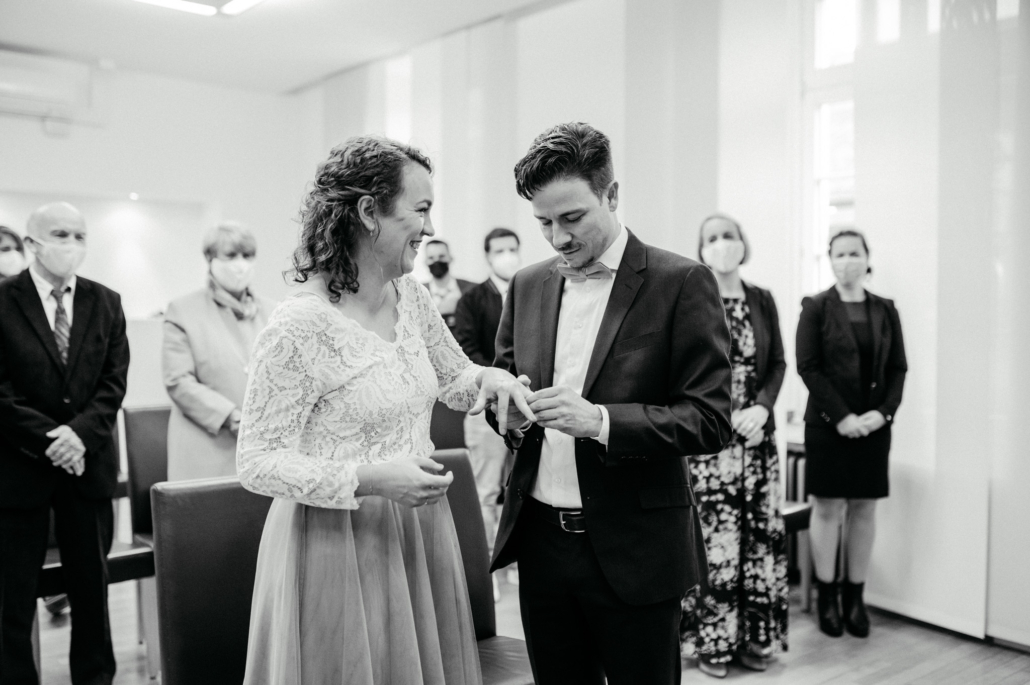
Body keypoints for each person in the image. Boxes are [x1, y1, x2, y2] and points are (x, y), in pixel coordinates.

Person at [237, 136, 535, 685]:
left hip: (420, 530)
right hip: (335, 544)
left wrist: (491, 378)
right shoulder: (298, 326)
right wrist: (372, 479)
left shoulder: (413, 297)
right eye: (419, 210)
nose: (428, 228)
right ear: (369, 212)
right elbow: (257, 461)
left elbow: (455, 379)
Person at [488, 122, 733, 685]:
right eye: (544, 222)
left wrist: (598, 421)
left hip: (636, 547)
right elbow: (502, 385)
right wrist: (508, 413)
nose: (557, 238)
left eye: (572, 218)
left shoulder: (682, 282)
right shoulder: (526, 285)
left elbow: (710, 420)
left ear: (612, 195)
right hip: (543, 544)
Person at [0, 202, 129, 685]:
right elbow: (1, 392)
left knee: (91, 595)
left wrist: (79, 435)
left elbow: (112, 384)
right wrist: (52, 439)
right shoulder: (4, 299)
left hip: (87, 467)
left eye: (79, 235)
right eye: (60, 234)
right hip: (19, 469)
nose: (71, 245)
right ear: (32, 244)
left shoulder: (107, 301)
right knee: (11, 600)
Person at [680, 214, 789, 678]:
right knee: (716, 546)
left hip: (757, 442)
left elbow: (778, 362)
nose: (722, 244)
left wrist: (763, 407)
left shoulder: (762, 299)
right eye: (712, 238)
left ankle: (751, 640)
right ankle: (712, 645)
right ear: (700, 248)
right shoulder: (692, 296)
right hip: (712, 441)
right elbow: (686, 369)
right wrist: (725, 415)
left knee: (756, 542)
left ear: (744, 243)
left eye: (729, 236)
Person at [796, 229, 907, 639]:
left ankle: (854, 598)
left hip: (874, 427)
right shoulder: (816, 307)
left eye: (854, 253)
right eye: (839, 254)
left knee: (864, 509)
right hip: (828, 426)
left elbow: (898, 367)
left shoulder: (886, 309)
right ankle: (828, 597)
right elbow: (808, 366)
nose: (847, 260)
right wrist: (842, 417)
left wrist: (884, 414)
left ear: (866, 257)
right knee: (828, 508)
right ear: (830, 260)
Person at [162, 222, 275, 481]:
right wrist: (231, 417)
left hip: (264, 449)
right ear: (210, 258)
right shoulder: (183, 310)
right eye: (231, 255)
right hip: (207, 445)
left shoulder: (273, 311)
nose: (240, 264)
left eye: (247, 256)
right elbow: (178, 381)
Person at [453, 227, 522, 599]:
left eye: (513, 249)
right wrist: (500, 383)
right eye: (500, 250)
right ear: (488, 256)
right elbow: (465, 353)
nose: (508, 256)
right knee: (486, 490)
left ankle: (515, 563)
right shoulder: (473, 300)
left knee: (522, 489)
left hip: (527, 408)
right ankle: (487, 570)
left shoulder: (531, 291)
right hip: (485, 407)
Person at [423, 238, 474, 330]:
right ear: (426, 262)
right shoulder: (417, 292)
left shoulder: (472, 289)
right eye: (431, 258)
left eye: (441, 256)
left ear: (450, 258)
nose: (436, 261)